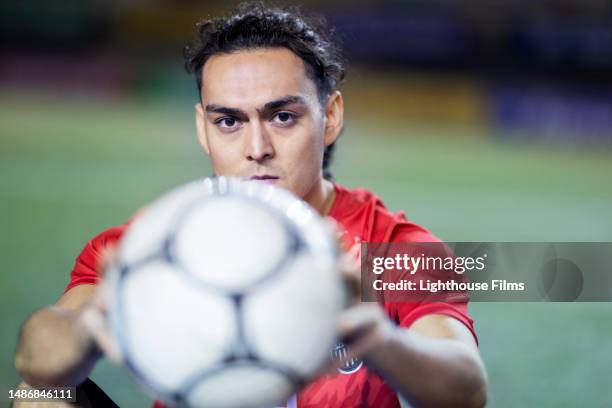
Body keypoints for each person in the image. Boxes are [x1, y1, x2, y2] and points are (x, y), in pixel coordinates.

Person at [14, 3, 488, 407]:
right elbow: (36, 358)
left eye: (282, 117)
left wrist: (382, 341)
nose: (256, 146)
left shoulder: (393, 247)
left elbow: (465, 385)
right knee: (39, 395)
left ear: (331, 117)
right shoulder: (147, 246)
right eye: (228, 122)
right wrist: (88, 325)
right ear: (202, 127)